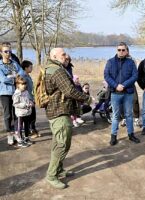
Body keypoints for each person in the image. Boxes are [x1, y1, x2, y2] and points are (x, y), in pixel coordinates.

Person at [45, 47, 90, 189]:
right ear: (54, 56)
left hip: (58, 111)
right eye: (63, 54)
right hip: (59, 112)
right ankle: (51, 175)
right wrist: (87, 98)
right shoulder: (57, 70)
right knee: (62, 144)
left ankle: (58, 170)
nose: (66, 56)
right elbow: (70, 90)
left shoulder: (54, 67)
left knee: (58, 143)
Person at [104, 42, 140, 146]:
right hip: (115, 93)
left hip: (128, 92)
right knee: (115, 116)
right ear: (117, 51)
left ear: (127, 51)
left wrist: (123, 85)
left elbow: (135, 76)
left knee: (129, 114)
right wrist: (116, 86)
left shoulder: (131, 62)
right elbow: (106, 76)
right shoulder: (110, 62)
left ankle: (131, 134)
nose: (121, 52)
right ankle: (113, 136)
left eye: (123, 50)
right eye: (119, 50)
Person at [0, 42, 25, 145]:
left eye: (10, 51)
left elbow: (22, 72)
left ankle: (16, 133)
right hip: (5, 92)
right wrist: (14, 78)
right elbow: (3, 79)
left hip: (15, 92)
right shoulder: (0, 65)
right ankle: (9, 134)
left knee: (16, 113)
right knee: (7, 115)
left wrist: (13, 76)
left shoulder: (14, 63)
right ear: (1, 53)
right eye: (6, 51)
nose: (8, 53)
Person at [21, 60, 41, 138]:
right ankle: (30, 131)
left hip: (31, 97)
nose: (32, 68)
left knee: (33, 115)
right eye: (30, 67)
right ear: (25, 68)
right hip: (27, 98)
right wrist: (28, 99)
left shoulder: (27, 75)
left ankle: (33, 129)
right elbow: (23, 89)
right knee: (29, 116)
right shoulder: (22, 76)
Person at [12, 75, 33, 148]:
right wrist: (25, 105)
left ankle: (26, 138)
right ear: (18, 85)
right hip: (20, 114)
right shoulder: (17, 94)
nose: (24, 86)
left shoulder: (26, 92)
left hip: (27, 113)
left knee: (27, 126)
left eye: (25, 84)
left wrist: (30, 102)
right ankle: (20, 141)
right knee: (20, 127)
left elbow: (28, 99)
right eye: (22, 84)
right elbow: (15, 104)